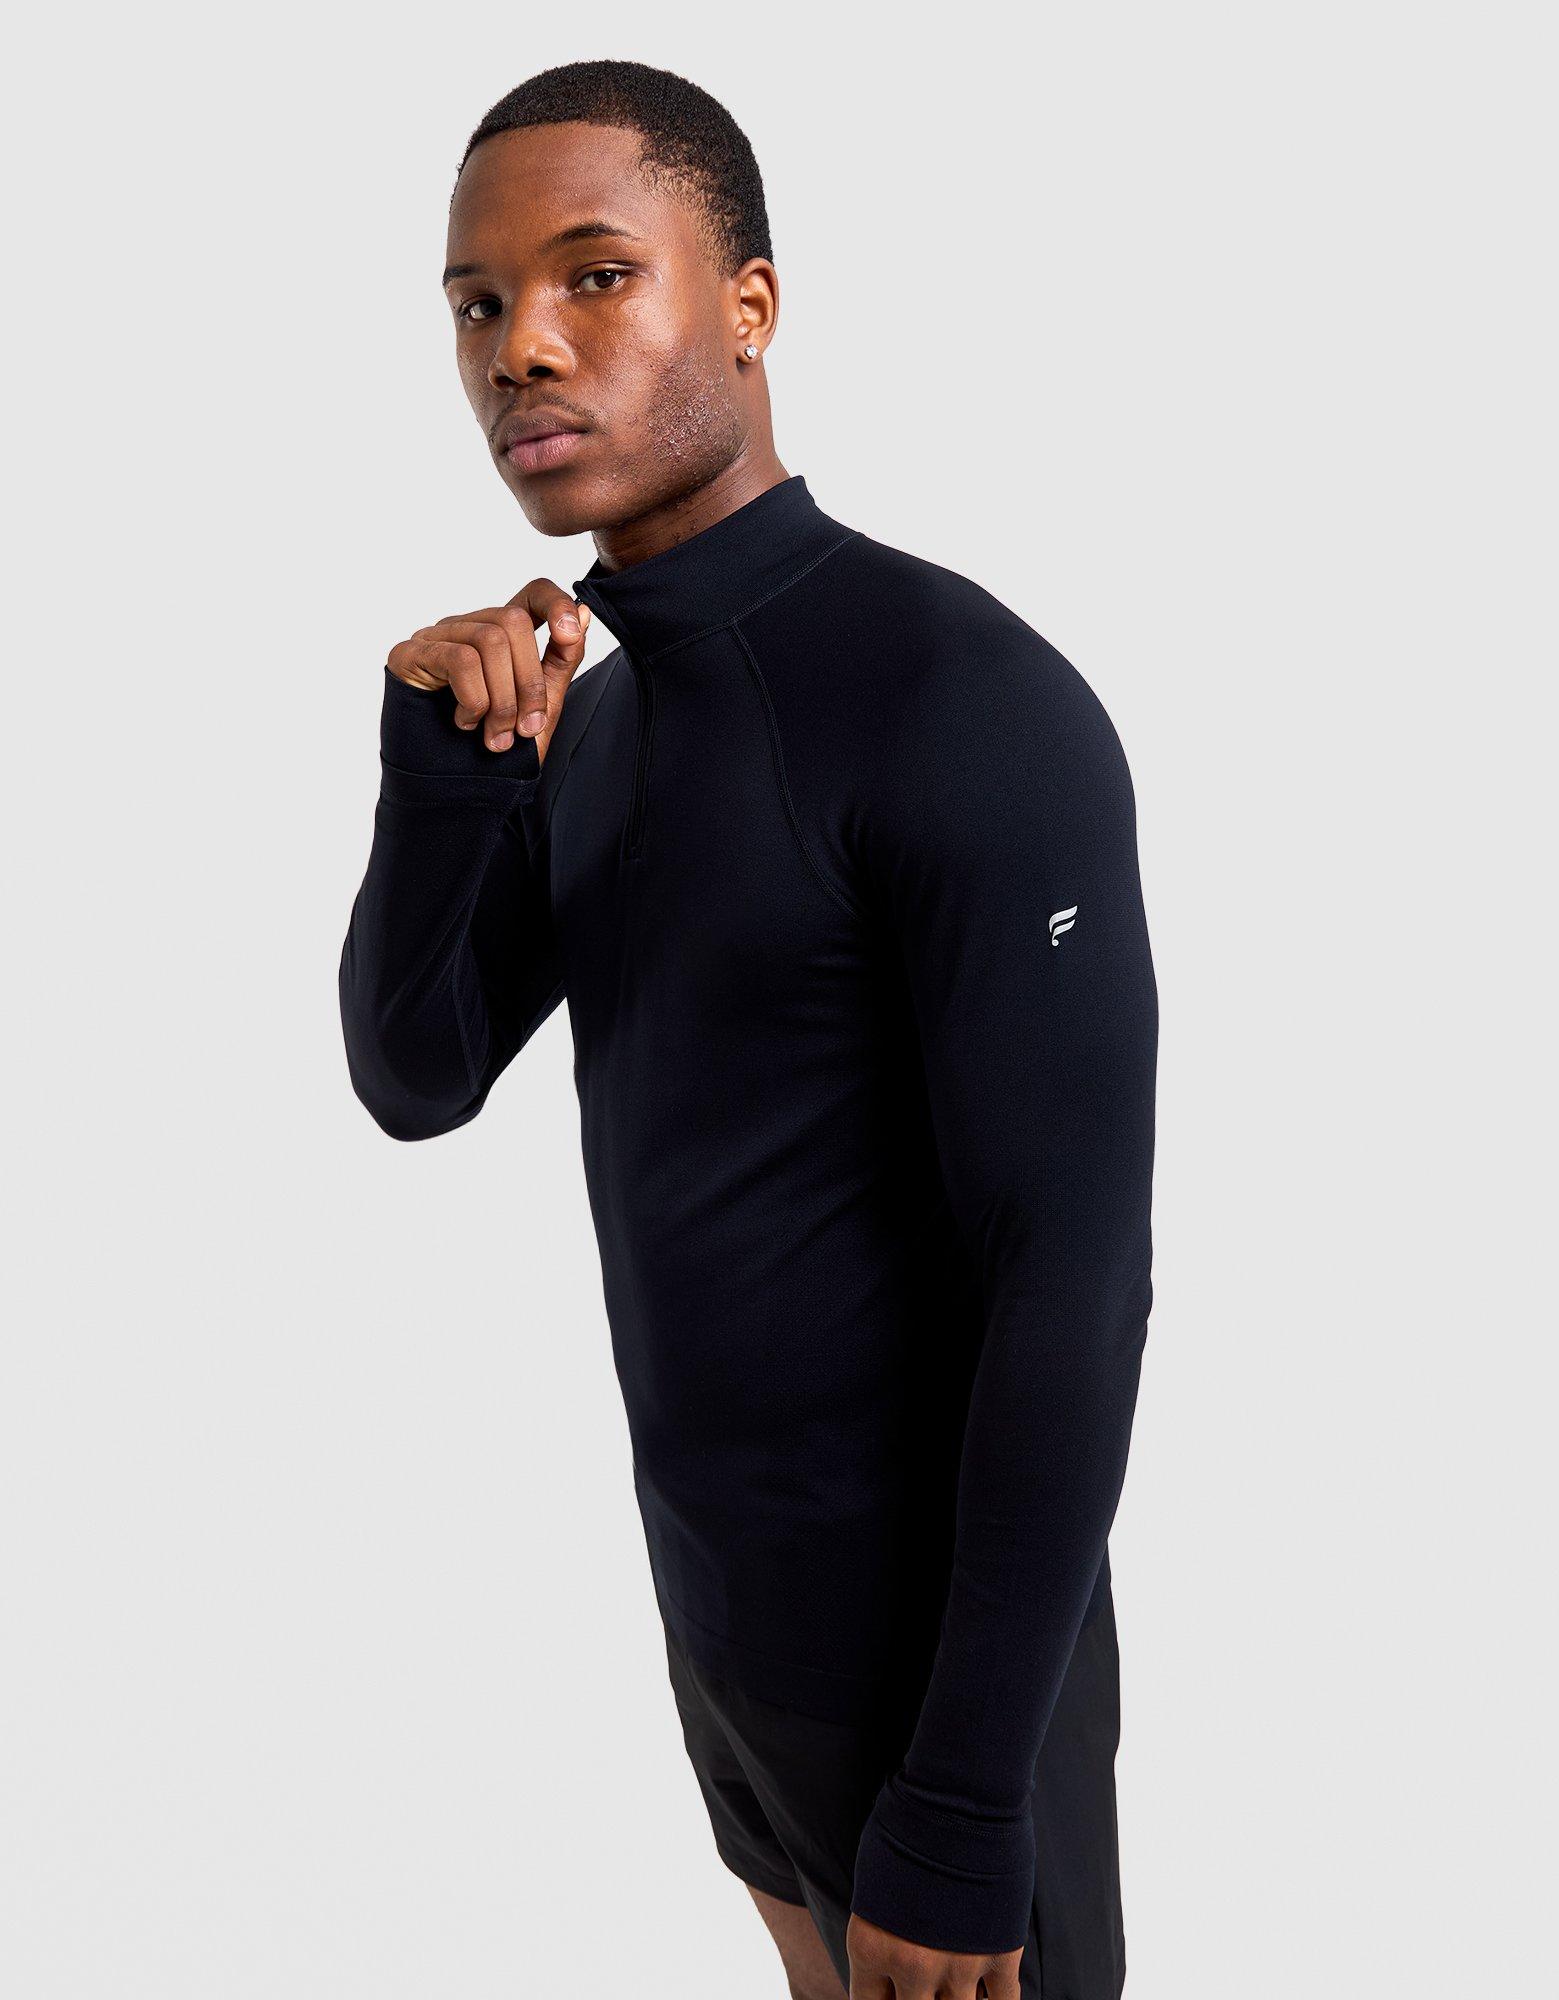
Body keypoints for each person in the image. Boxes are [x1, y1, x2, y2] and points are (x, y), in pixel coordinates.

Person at [339, 58, 1158, 2000]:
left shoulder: (959, 698)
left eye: (596, 275)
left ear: (751, 305)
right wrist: (436, 782)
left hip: (942, 1708)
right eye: (476, 304)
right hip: (732, 1647)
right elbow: (415, 1072)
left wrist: (965, 1806)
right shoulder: (604, 718)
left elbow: (1072, 1285)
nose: (524, 347)